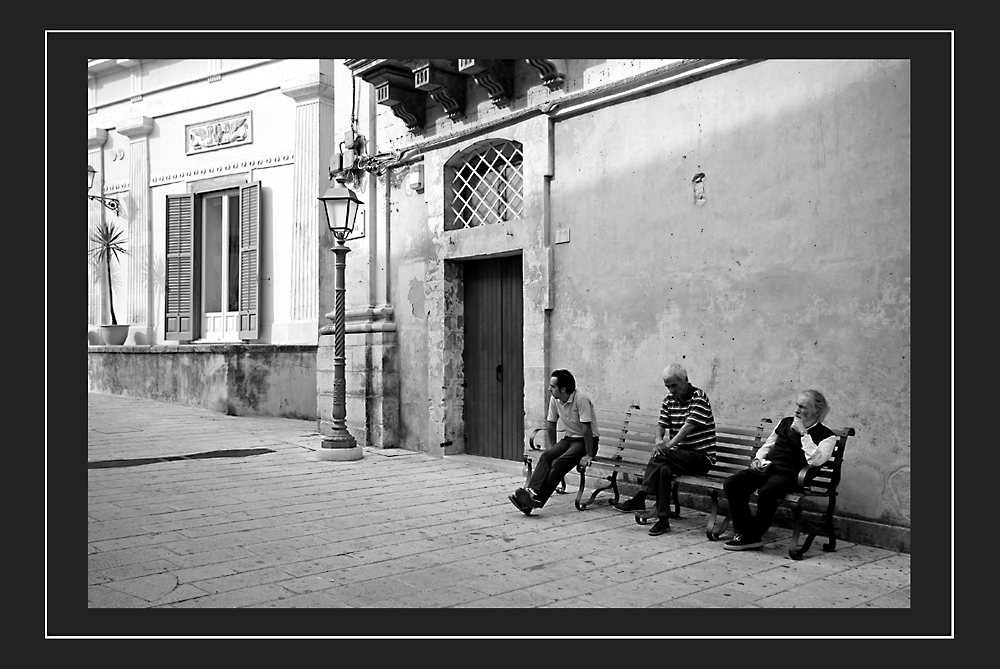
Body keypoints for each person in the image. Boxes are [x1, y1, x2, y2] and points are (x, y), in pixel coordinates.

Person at [721, 389, 837, 550]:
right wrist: (758, 459)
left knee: (768, 491)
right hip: (769, 467)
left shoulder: (827, 436)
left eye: (803, 407)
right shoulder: (785, 423)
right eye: (797, 405)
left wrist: (803, 433)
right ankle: (747, 533)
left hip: (792, 474)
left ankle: (751, 536)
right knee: (732, 483)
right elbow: (767, 445)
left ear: (817, 410)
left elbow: (816, 461)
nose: (797, 410)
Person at [612, 363, 717, 537]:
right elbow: (661, 426)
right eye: (667, 386)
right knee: (664, 470)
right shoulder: (668, 400)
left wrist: (666, 447)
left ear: (685, 381)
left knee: (662, 457)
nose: (670, 389)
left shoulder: (699, 398)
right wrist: (659, 441)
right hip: (677, 457)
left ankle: (640, 497)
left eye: (674, 385)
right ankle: (663, 520)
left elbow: (687, 428)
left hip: (701, 458)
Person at [509, 369, 600, 514]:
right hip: (569, 439)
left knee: (559, 463)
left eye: (552, 386)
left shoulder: (581, 399)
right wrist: (553, 449)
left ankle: (535, 502)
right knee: (546, 456)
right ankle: (531, 493)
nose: (549, 389)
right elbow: (551, 423)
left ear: (563, 389)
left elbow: (587, 429)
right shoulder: (555, 399)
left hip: (586, 442)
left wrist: (589, 454)